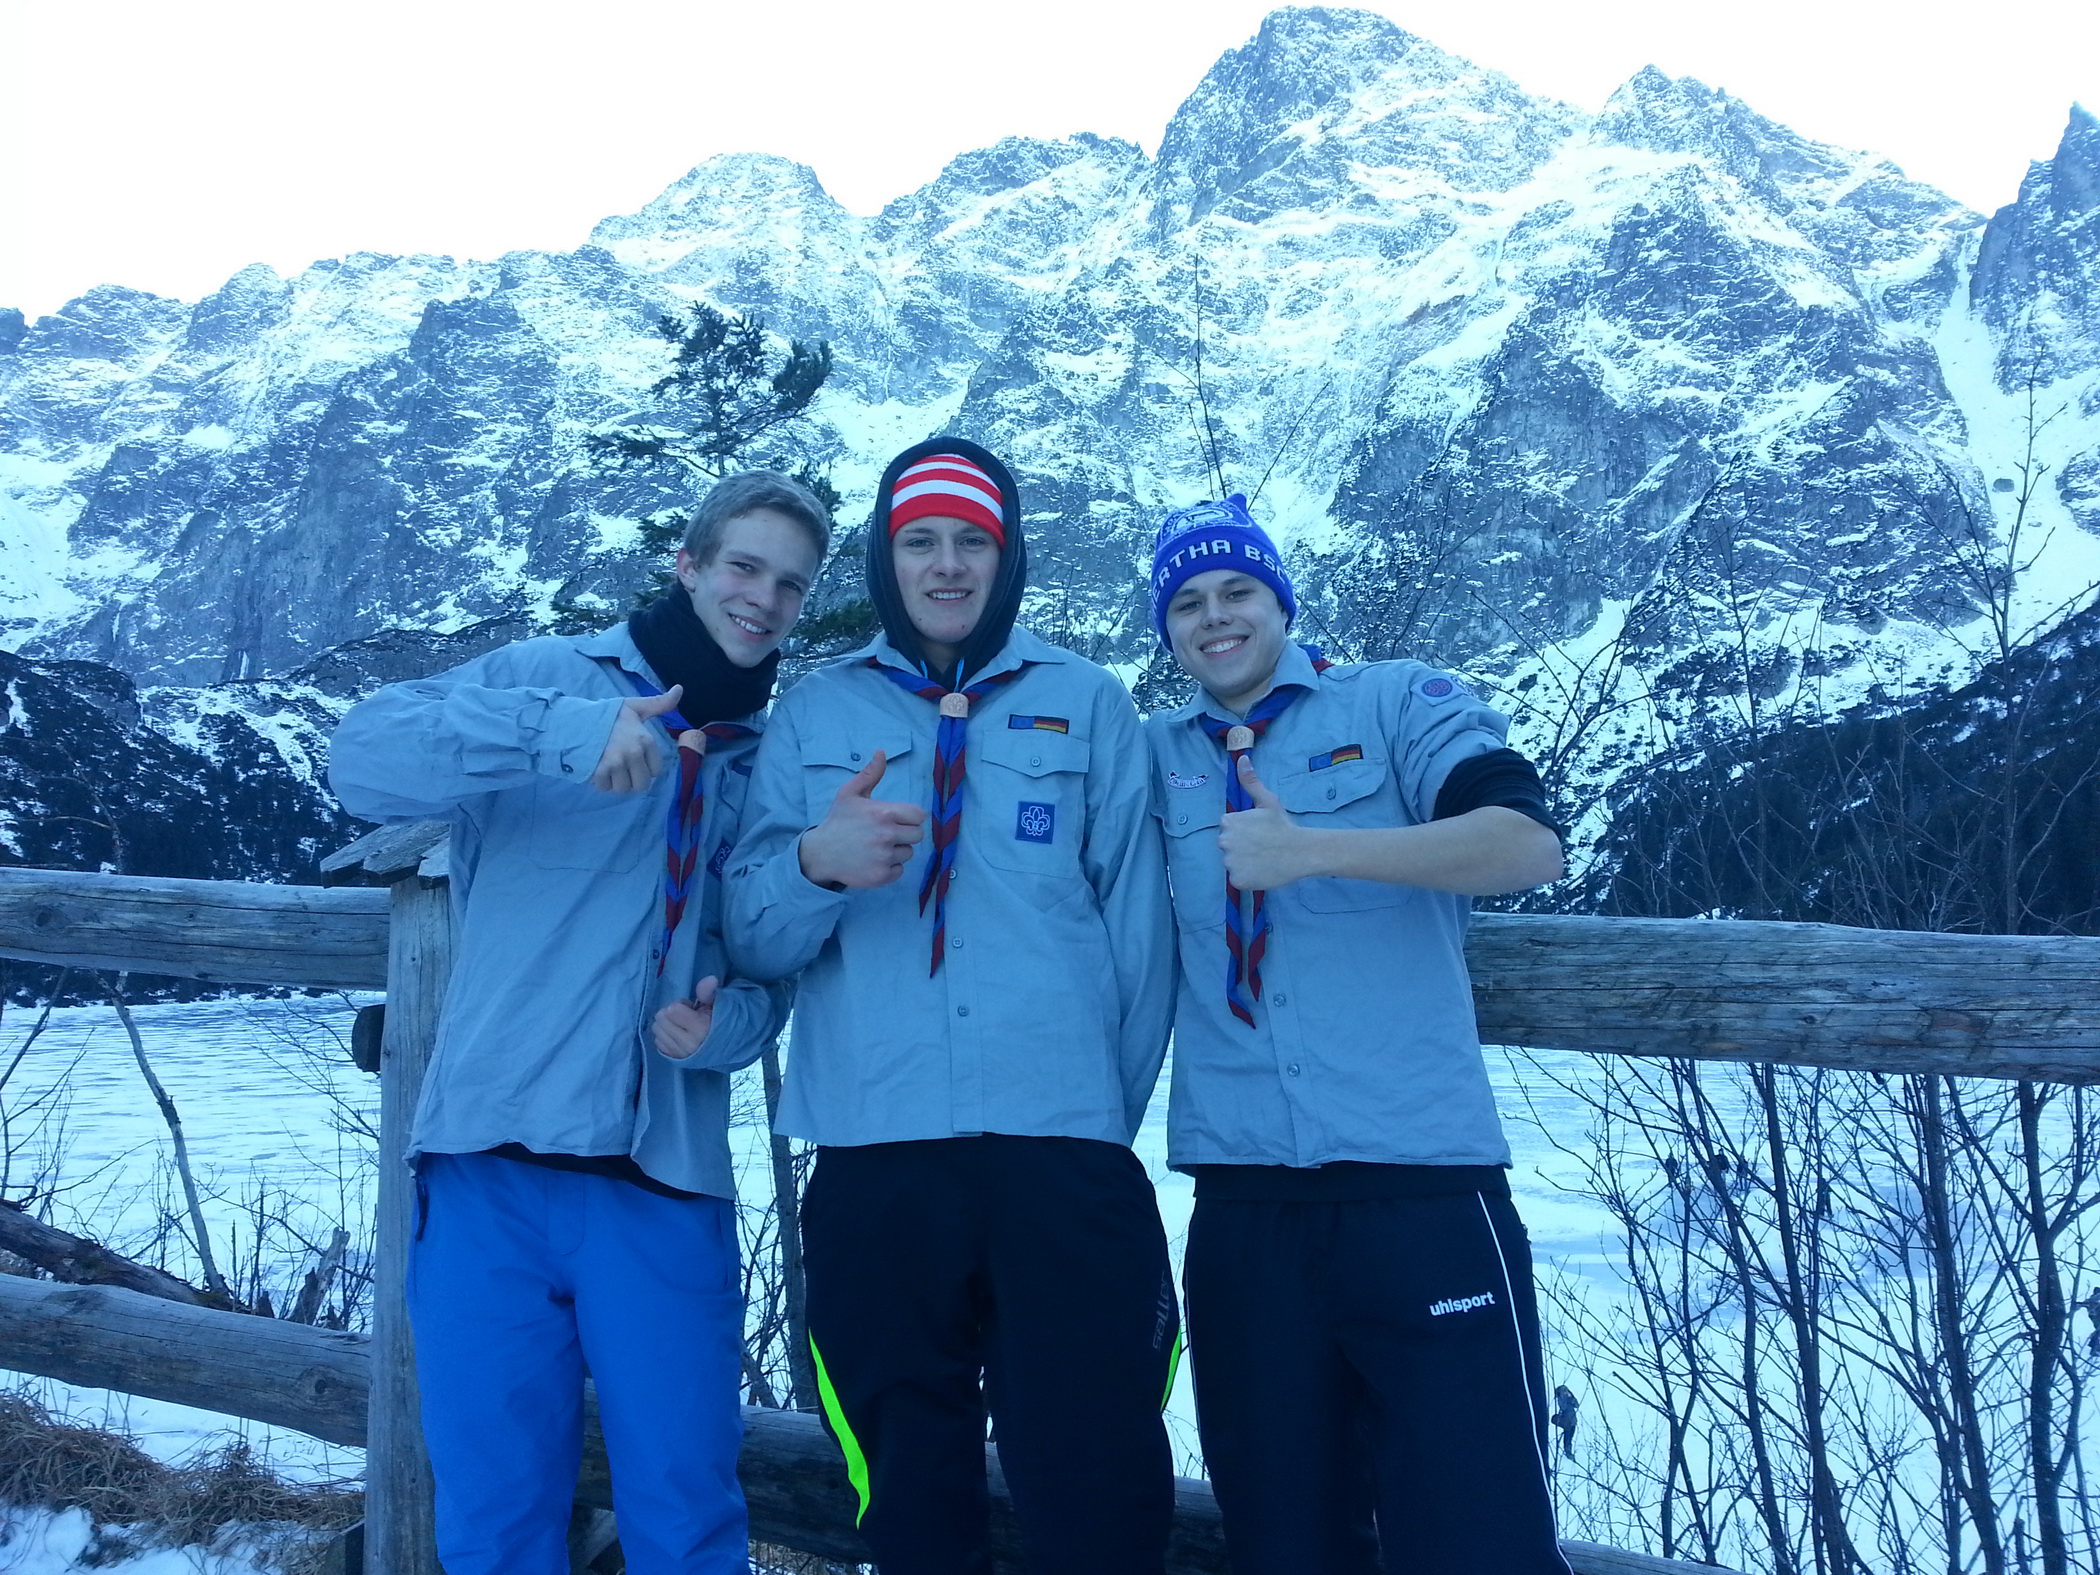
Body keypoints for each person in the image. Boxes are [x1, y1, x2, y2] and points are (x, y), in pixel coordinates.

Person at [327, 471, 831, 1575]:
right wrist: (562, 731)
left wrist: (730, 1027)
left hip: (660, 1185)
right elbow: (360, 757)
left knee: (687, 1518)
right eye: (743, 566)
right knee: (495, 1521)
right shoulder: (549, 677)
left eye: (790, 585)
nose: (763, 598)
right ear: (690, 564)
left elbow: (763, 975)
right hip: (483, 1170)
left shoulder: (771, 757)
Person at [720, 438, 1178, 1575]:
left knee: (1100, 1487)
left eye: (972, 540)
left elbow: (1140, 939)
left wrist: (1088, 1116)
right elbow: (754, 936)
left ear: (1006, 556)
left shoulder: (1088, 702)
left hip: (1060, 1157)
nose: (947, 565)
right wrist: (817, 864)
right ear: (888, 559)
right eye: (921, 541)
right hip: (880, 1158)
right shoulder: (816, 715)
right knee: (910, 1500)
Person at [1143, 494, 1571, 1575]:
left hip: (1422, 1188)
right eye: (1187, 603)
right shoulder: (1150, 759)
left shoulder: (1392, 702)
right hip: (1246, 1211)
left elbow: (1524, 844)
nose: (1216, 617)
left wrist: (1317, 853)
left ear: (1280, 600)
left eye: (1238, 590)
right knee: (1283, 1539)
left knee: (1480, 1540)